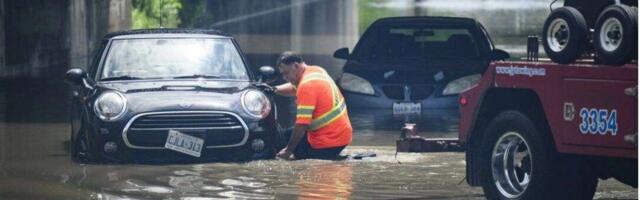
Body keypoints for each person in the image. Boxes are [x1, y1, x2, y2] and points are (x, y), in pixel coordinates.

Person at [259, 51, 352, 160]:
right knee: (287, 134)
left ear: (296, 66)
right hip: (341, 136)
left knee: (284, 145)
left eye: (286, 73)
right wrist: (274, 89)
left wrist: (288, 151)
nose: (284, 77)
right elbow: (295, 87)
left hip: (327, 143)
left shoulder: (306, 86)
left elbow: (302, 124)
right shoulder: (317, 70)